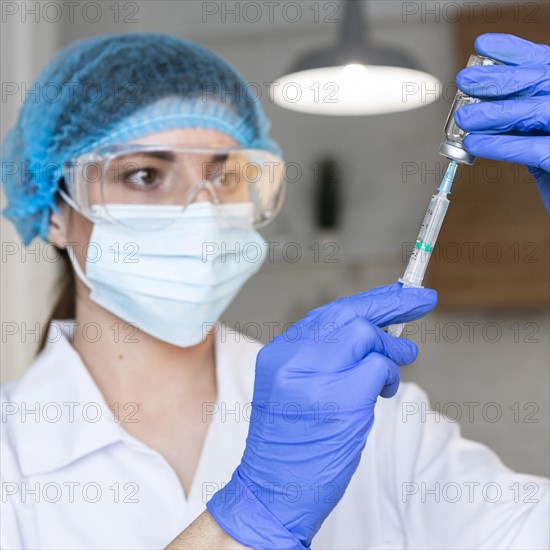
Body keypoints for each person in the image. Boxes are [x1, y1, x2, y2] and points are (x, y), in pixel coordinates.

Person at [0, 32, 548, 550]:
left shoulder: (357, 412)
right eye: (145, 175)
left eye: (225, 175)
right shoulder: (12, 455)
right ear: (53, 212)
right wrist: (254, 513)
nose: (203, 212)